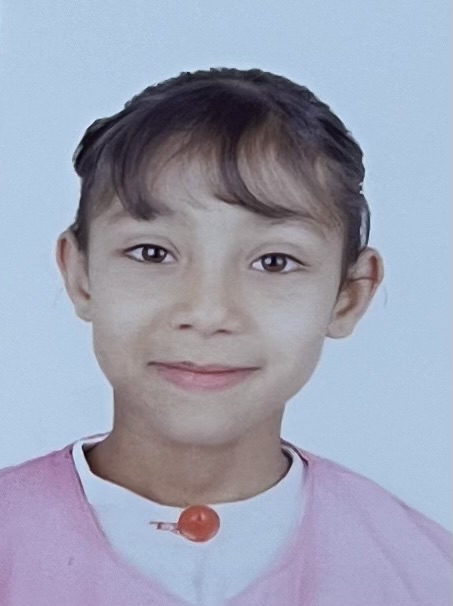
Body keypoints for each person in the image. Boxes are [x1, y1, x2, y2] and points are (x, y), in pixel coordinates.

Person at [0, 67, 450, 605]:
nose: (208, 313)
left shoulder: (425, 573)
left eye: (274, 261)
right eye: (152, 253)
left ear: (349, 295)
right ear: (80, 274)